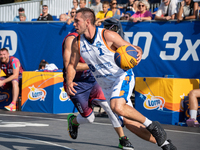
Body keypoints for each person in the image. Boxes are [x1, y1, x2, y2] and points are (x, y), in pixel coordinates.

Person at [65, 8, 177, 150]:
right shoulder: (77, 43)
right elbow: (71, 65)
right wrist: (69, 81)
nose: (74, 24)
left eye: (77, 21)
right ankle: (165, 144)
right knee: (130, 124)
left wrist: (139, 50)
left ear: (87, 22)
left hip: (121, 77)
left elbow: (131, 48)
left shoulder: (107, 36)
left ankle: (152, 125)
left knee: (116, 107)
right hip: (106, 87)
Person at [62, 32, 134, 150]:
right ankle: (74, 121)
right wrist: (95, 64)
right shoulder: (72, 39)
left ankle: (123, 139)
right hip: (77, 83)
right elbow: (69, 65)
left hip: (93, 79)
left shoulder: (96, 40)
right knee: (89, 118)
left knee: (109, 107)